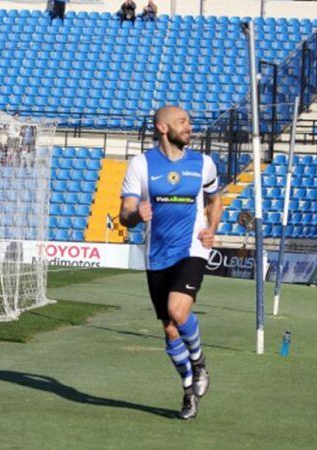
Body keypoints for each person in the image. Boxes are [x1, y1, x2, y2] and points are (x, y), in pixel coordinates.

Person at [119, 105, 220, 420]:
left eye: (188, 121)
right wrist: (137, 214)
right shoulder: (141, 165)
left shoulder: (203, 163)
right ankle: (189, 387)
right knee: (170, 329)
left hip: (191, 250)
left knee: (178, 311)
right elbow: (125, 215)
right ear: (163, 128)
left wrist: (212, 229)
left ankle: (200, 363)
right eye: (182, 122)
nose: (189, 126)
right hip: (157, 255)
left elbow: (216, 200)